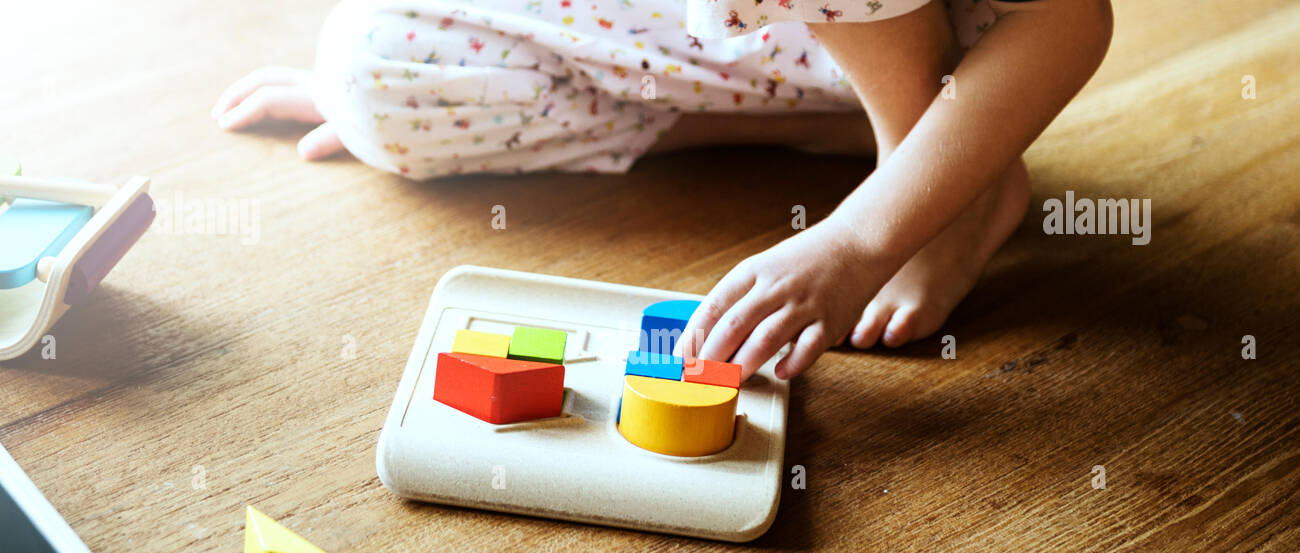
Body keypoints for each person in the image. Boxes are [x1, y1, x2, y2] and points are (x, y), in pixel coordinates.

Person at [212, 0, 1113, 378]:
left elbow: (1073, 17)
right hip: (758, 46)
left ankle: (927, 167)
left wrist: (857, 241)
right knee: (375, 69)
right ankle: (853, 132)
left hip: (975, 53)